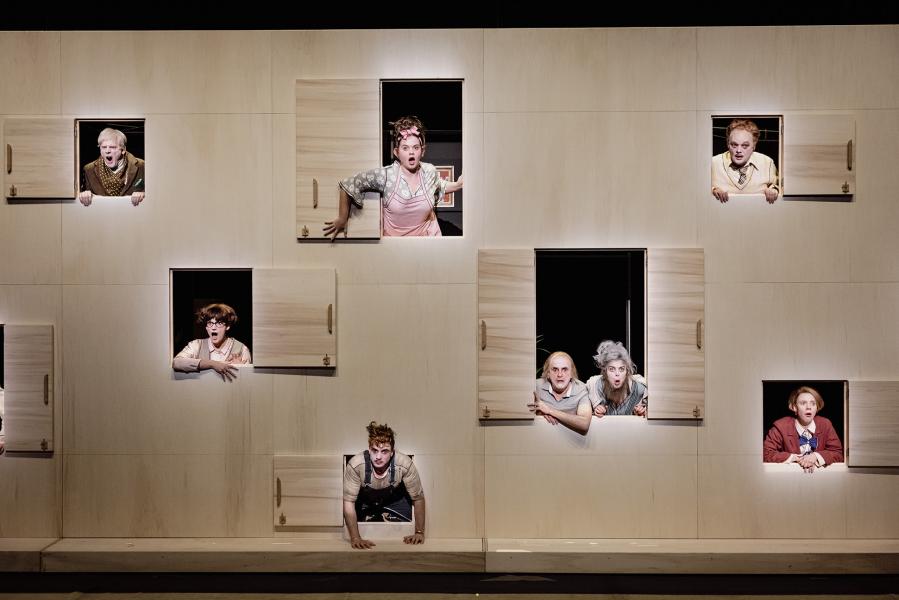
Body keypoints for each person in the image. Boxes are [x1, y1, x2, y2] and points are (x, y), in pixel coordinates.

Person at [324, 116, 463, 238]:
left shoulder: (429, 171)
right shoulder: (386, 175)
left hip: (428, 240)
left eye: (415, 147)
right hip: (395, 245)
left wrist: (458, 185)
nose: (411, 152)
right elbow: (349, 183)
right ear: (396, 152)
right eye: (405, 148)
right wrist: (342, 218)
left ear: (422, 151)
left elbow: (439, 185)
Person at [343, 421, 426, 549]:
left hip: (394, 501)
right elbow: (348, 502)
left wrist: (419, 533)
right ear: (369, 449)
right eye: (374, 450)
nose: (378, 457)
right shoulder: (356, 465)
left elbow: (418, 498)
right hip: (365, 502)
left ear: (392, 452)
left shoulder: (404, 464)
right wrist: (355, 538)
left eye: (384, 451)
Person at [763, 386, 844, 473]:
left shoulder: (825, 424)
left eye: (813, 403)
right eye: (803, 403)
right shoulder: (781, 426)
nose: (809, 407)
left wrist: (816, 456)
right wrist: (795, 458)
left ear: (817, 408)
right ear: (794, 407)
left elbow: (838, 454)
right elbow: (766, 453)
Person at [172, 303, 251, 381]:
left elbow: (248, 381)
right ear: (206, 327)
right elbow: (176, 362)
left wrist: (240, 369)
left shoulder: (241, 349)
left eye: (219, 323)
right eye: (210, 323)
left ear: (227, 326)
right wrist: (212, 364)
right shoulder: (196, 345)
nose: (213, 327)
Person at [711, 119, 779, 204]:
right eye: (734, 145)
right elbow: (698, 187)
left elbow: (778, 185)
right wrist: (712, 190)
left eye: (745, 145)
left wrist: (773, 190)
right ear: (728, 144)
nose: (739, 150)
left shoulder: (767, 163)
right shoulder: (713, 163)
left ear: (754, 146)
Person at [79, 128, 146, 207]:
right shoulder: (89, 170)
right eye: (104, 147)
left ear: (123, 150)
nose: (107, 151)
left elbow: (154, 193)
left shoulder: (142, 166)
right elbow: (85, 197)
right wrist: (85, 194)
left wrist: (144, 194)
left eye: (112, 147)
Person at [529, 351, 592, 435]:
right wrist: (539, 414)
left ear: (572, 373)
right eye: (555, 370)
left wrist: (550, 411)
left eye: (564, 369)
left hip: (571, 440)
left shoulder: (581, 389)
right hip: (541, 436)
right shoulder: (535, 386)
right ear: (548, 373)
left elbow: (584, 423)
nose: (559, 374)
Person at [585, 340, 648, 417]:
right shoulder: (596, 386)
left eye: (621, 369)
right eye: (612, 369)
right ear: (605, 371)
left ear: (627, 371)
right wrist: (597, 411)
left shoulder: (639, 389)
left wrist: (641, 412)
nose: (617, 374)